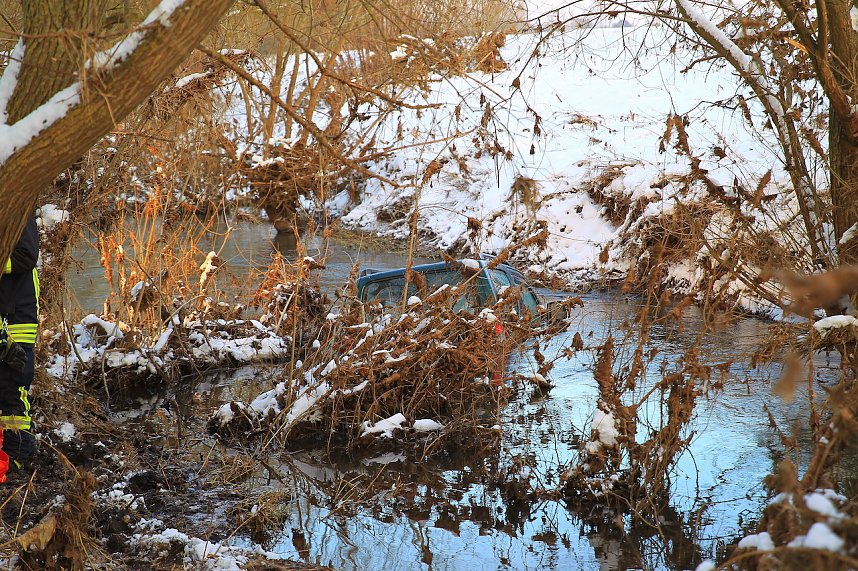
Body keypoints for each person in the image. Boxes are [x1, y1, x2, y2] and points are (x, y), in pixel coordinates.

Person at [0, 216, 39, 481]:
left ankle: (17, 456)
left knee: (11, 386)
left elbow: (26, 255)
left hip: (15, 317)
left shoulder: (17, 208)